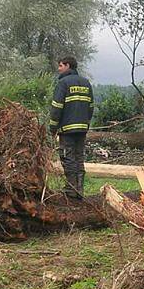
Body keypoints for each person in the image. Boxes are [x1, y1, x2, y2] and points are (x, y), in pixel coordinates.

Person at [49, 56, 94, 199]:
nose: (59, 69)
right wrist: (85, 123)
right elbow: (91, 107)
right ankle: (79, 190)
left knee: (68, 158)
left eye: (61, 65)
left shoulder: (63, 83)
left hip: (67, 129)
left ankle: (71, 189)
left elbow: (56, 108)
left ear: (68, 65)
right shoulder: (86, 83)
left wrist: (52, 128)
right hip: (82, 129)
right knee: (79, 158)